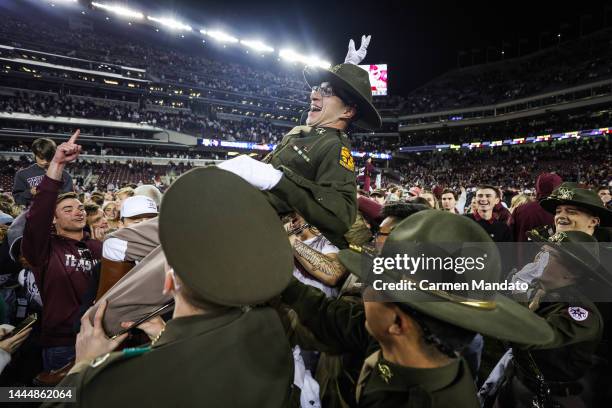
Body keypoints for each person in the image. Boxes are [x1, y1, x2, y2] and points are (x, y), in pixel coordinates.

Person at [45, 167, 295, 407]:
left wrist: (82, 368)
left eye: (149, 221)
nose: (142, 226)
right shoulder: (269, 333)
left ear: (169, 281)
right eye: (136, 220)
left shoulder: (122, 377)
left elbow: (19, 396)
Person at [281, 210, 554, 407]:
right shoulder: (402, 342)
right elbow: (328, 315)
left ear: (398, 323)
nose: (365, 289)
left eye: (376, 284)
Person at [218, 37, 381, 249]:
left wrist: (277, 179)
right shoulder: (308, 130)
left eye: (327, 92)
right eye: (317, 87)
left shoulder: (335, 148)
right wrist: (346, 71)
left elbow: (342, 215)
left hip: (253, 236)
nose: (313, 94)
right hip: (236, 215)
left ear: (348, 111)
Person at [496, 230, 611, 408]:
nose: (538, 259)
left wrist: (518, 294)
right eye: (541, 251)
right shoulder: (538, 290)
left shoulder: (580, 314)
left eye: (549, 255)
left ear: (572, 273)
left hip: (552, 399)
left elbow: (528, 337)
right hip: (518, 381)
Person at [21, 130, 102, 372]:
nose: (78, 212)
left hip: (101, 338)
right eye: (67, 209)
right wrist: (56, 165)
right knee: (62, 399)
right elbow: (37, 215)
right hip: (62, 344)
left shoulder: (100, 247)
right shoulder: (45, 249)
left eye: (79, 208)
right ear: (53, 220)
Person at [12, 138, 73, 207]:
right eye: (41, 158)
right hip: (33, 215)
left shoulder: (64, 175)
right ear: (34, 155)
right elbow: (17, 199)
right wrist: (30, 192)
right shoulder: (22, 175)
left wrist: (54, 191)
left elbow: (70, 198)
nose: (45, 161)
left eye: (49, 158)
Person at [539, 182, 611, 238]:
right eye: (558, 212)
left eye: (571, 212)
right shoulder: (543, 239)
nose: (560, 216)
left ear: (593, 222)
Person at [510, 173, 563, 242]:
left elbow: (510, 234)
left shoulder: (521, 210)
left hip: (522, 251)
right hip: (553, 251)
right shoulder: (567, 211)